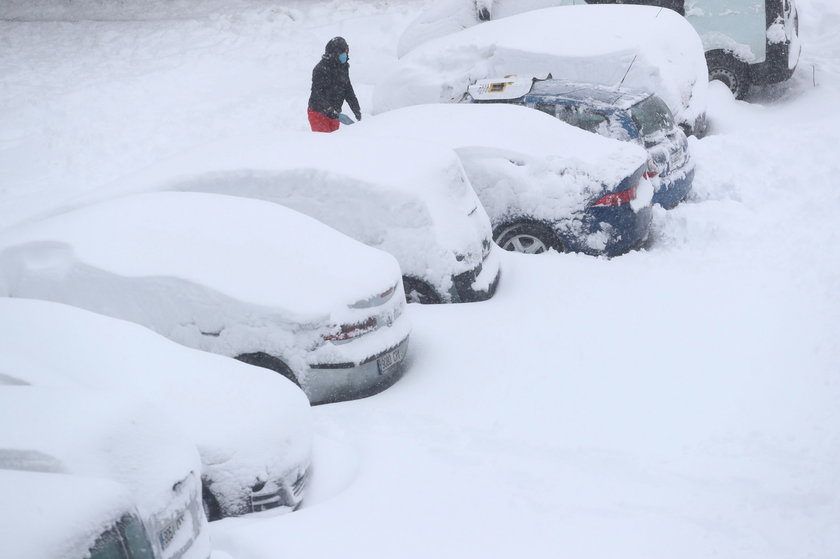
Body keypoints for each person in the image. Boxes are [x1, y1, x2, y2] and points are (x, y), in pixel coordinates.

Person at [307, 36, 362, 133]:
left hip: (335, 114)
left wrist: (357, 111)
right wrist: (331, 111)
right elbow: (317, 94)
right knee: (325, 143)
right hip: (318, 114)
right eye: (343, 52)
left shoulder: (343, 67)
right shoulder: (320, 69)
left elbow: (348, 90)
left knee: (334, 142)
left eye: (346, 51)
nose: (346, 54)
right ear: (336, 53)